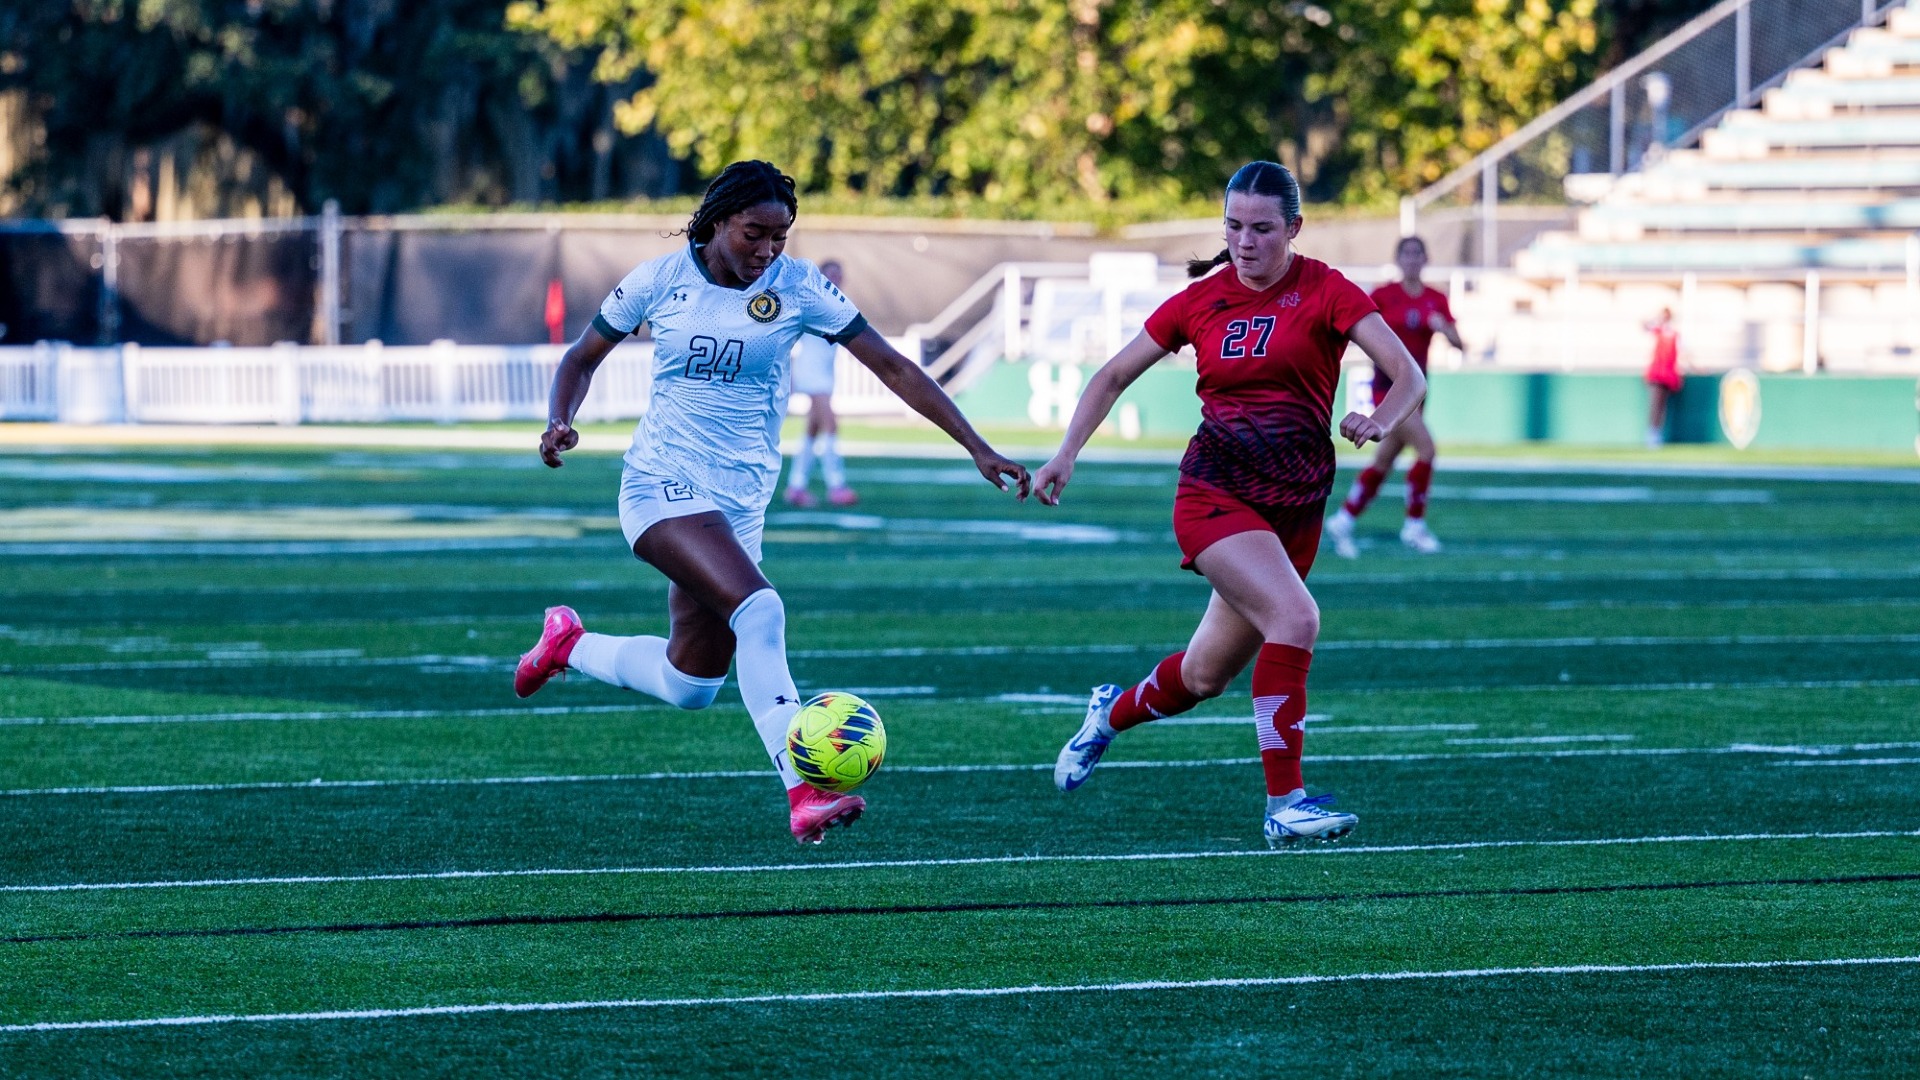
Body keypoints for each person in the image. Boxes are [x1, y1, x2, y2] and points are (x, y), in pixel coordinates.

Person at [515, 161, 1030, 845]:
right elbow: (581, 358)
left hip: (740, 502)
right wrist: (559, 421)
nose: (766, 251)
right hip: (659, 484)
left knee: (689, 683)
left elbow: (894, 367)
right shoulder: (659, 281)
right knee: (761, 610)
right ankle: (804, 787)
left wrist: (976, 444)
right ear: (716, 221)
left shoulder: (797, 287)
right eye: (754, 234)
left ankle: (568, 644)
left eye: (779, 239)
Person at [1033, 161, 1426, 847]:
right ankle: (1285, 805)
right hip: (1216, 492)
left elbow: (1408, 374)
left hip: (1295, 506)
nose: (1246, 242)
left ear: (1294, 228)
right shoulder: (1200, 300)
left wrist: (1381, 419)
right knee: (1297, 618)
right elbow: (1113, 373)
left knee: (1202, 676)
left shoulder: (1326, 289)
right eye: (1234, 227)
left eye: (1262, 229)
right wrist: (1066, 453)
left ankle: (1107, 716)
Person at [1323, 235, 1463, 557]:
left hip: (1417, 392)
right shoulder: (1384, 295)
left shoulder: (1435, 299)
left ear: (1425, 259)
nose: (1412, 259)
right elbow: (1357, 329)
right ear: (1398, 259)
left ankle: (1343, 519)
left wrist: (1443, 327)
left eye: (1417, 253)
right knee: (1426, 450)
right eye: (1406, 253)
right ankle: (1414, 525)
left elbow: (1459, 343)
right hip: (1387, 389)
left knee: (1384, 461)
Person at [784, 259, 857, 507]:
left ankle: (796, 486)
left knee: (812, 431)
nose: (835, 279)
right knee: (830, 425)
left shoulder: (839, 304)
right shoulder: (813, 303)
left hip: (823, 373)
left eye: (839, 274)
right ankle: (837, 485)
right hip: (811, 372)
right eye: (830, 274)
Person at [1644, 307, 1682, 448]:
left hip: (1668, 375)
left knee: (1662, 406)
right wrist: (1656, 318)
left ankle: (1657, 433)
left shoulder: (1674, 334)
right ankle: (1652, 434)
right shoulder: (1658, 330)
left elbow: (1683, 352)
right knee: (1655, 403)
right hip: (1657, 373)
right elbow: (1644, 326)